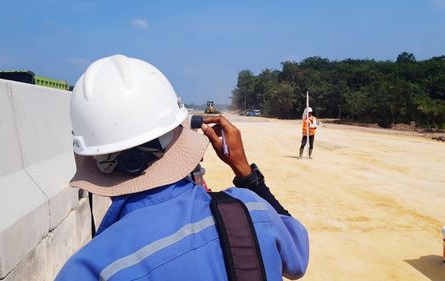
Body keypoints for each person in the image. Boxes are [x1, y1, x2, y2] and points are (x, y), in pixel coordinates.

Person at [56, 54, 309, 281]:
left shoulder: (91, 268)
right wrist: (246, 173)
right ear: (178, 134)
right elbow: (298, 259)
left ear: (92, 159)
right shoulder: (253, 211)